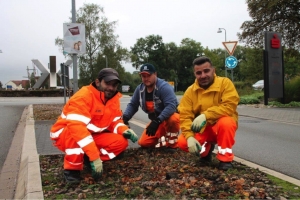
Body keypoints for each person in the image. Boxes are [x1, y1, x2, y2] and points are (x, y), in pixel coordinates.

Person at [50, 68, 138, 183]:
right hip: (65, 134)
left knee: (121, 141)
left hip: (92, 134)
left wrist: (124, 130)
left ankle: (87, 159)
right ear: (98, 82)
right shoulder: (83, 96)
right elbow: (77, 128)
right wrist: (94, 155)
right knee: (75, 136)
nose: (111, 88)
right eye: (107, 83)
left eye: (114, 85)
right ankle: (72, 170)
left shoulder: (113, 99)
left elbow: (115, 121)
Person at [177, 56, 239, 170]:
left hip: (220, 127)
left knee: (227, 122)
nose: (203, 76)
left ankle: (225, 160)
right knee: (183, 142)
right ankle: (206, 152)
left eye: (206, 71)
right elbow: (185, 116)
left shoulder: (225, 83)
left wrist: (206, 115)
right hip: (203, 129)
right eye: (199, 73)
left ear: (213, 70)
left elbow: (229, 106)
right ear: (195, 74)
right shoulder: (190, 91)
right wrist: (190, 136)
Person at [122, 63, 180, 149]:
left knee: (173, 119)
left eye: (148, 75)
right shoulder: (139, 89)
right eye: (143, 76)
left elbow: (171, 106)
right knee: (143, 143)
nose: (146, 78)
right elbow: (133, 105)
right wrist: (125, 117)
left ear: (155, 74)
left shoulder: (164, 87)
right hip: (156, 121)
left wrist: (157, 121)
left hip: (166, 118)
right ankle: (162, 142)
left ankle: (172, 145)